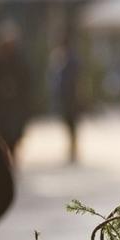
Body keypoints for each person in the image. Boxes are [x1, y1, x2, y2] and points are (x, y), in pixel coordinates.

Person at [0, 19, 31, 161]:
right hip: (3, 108)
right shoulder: (0, 61)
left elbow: (26, 83)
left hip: (16, 107)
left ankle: (13, 158)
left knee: (15, 135)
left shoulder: (19, 61)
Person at [48, 31, 83, 164]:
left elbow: (77, 79)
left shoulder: (71, 59)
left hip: (71, 97)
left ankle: (73, 150)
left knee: (72, 124)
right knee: (69, 124)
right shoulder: (60, 58)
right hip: (66, 96)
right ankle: (71, 149)